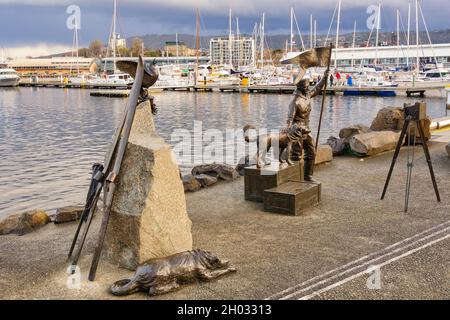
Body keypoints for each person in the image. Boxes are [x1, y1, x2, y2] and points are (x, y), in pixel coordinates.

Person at [286, 69, 330, 183]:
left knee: (311, 152)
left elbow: (317, 88)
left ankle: (307, 176)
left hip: (307, 129)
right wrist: (289, 131)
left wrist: (325, 77)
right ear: (300, 87)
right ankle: (292, 178)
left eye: (308, 86)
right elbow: (289, 119)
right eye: (306, 87)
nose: (308, 88)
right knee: (296, 155)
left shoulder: (308, 95)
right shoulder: (295, 101)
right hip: (297, 130)